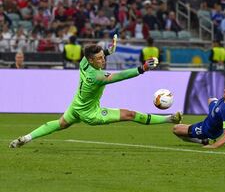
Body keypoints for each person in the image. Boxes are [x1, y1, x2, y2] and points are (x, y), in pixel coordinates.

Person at [9, 35, 182, 148]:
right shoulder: (97, 77)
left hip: (76, 106)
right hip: (91, 114)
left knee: (59, 124)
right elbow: (120, 76)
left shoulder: (84, 62)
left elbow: (97, 55)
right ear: (92, 60)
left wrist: (108, 50)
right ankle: (169, 118)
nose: (103, 60)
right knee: (130, 114)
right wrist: (142, 68)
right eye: (100, 59)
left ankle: (26, 138)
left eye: (103, 57)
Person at [172, 61, 225, 149]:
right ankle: (215, 117)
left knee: (176, 129)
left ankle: (203, 140)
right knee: (211, 99)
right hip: (217, 110)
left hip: (207, 129)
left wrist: (213, 146)